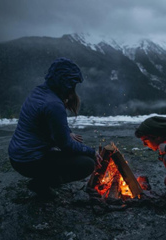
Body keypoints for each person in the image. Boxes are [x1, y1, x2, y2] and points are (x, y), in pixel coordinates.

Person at [8, 57, 102, 199]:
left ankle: (47, 177)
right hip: (29, 161)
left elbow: (47, 124)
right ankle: (41, 184)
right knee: (87, 164)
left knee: (73, 151)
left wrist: (67, 132)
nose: (74, 87)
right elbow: (65, 145)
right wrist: (91, 152)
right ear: (66, 83)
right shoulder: (53, 104)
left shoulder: (39, 92)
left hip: (17, 157)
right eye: (73, 83)